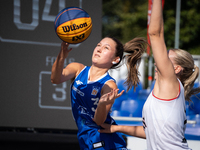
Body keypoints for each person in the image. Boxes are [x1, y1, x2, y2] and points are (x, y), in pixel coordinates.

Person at [99, 0, 200, 150]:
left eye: (166, 57)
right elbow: (150, 132)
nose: (159, 60)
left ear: (177, 69)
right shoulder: (166, 92)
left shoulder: (170, 82)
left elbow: (155, 33)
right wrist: (116, 128)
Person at [51, 36, 147, 149]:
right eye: (98, 45)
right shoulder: (78, 69)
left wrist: (101, 104)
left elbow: (99, 120)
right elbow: (55, 79)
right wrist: (62, 55)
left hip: (104, 140)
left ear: (115, 59)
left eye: (106, 47)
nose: (99, 49)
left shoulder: (109, 85)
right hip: (86, 137)